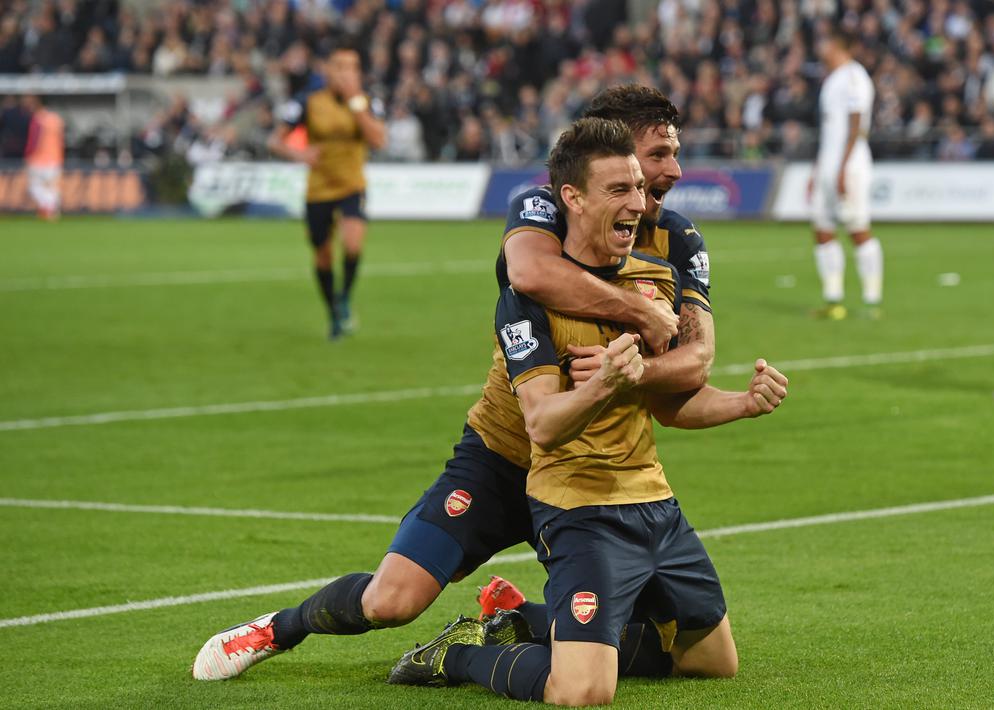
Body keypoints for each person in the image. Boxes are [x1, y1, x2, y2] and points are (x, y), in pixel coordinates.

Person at [191, 86, 707, 682]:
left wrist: (641, 375)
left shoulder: (678, 243)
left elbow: (698, 361)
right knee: (392, 600)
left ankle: (515, 621)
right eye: (654, 157)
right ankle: (279, 627)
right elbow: (529, 271)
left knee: (668, 639)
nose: (669, 172)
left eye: (667, 160)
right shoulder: (542, 211)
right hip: (506, 454)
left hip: (594, 480)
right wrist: (639, 314)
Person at [387, 117, 788, 705]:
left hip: (654, 501)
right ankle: (460, 655)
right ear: (571, 198)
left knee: (711, 662)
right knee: (581, 691)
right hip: (581, 506)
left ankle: (528, 621)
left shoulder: (657, 281)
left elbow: (672, 403)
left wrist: (742, 404)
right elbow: (543, 425)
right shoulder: (527, 299)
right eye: (621, 189)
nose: (641, 198)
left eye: (639, 187)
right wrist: (605, 383)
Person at [267, 44, 386, 340]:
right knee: (322, 254)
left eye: (353, 67)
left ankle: (344, 296)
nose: (347, 73)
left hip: (351, 185)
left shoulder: (367, 102)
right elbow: (275, 140)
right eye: (341, 66)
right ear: (328, 70)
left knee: (353, 244)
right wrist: (300, 154)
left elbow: (378, 140)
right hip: (318, 188)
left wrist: (356, 103)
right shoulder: (307, 101)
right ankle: (332, 310)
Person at [809, 28, 883, 320]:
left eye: (826, 42)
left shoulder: (855, 76)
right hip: (829, 164)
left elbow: (856, 124)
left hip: (849, 165)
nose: (821, 47)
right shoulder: (832, 79)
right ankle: (833, 299)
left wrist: (843, 166)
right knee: (822, 228)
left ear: (839, 45)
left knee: (857, 228)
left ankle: (871, 301)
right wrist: (819, 169)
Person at [22, 95, 64, 221]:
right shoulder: (56, 119)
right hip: (55, 158)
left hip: (38, 159)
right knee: (51, 187)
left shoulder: (38, 119)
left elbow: (34, 140)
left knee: (34, 186)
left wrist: (28, 155)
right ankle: (51, 211)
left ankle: (47, 208)